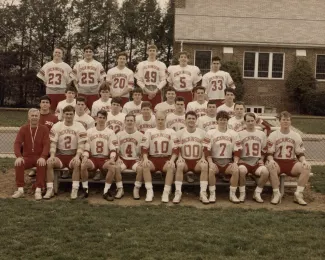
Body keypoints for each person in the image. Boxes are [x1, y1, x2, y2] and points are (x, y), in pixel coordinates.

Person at [266, 111, 311, 205]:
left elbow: (299, 153)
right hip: (277, 161)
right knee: (271, 166)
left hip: (291, 163)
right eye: (283, 120)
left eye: (288, 120)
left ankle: (298, 194)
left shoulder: (296, 135)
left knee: (306, 167)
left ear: (290, 122)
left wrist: (304, 161)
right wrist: (271, 160)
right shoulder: (274, 135)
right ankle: (276, 194)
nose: (285, 122)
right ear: (279, 121)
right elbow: (269, 152)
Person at [43, 105, 87, 200]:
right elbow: (53, 143)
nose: (69, 116)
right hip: (60, 155)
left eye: (71, 114)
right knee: (50, 162)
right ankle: (50, 189)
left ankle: (75, 188)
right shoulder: (57, 126)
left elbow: (81, 144)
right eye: (67, 114)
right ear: (63, 115)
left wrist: (77, 156)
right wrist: (52, 155)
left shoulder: (79, 126)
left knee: (77, 163)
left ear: (74, 115)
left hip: (73, 154)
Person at [140, 111, 179, 202]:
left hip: (166, 158)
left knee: (170, 166)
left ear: (165, 120)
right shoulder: (149, 131)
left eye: (162, 119)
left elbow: (176, 148)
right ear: (155, 120)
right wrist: (145, 158)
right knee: (145, 165)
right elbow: (144, 147)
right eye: (158, 119)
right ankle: (149, 191)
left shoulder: (171, 131)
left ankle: (166, 192)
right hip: (153, 158)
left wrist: (172, 160)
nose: (160, 121)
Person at [12, 109, 50, 200]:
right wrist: (19, 156)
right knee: (19, 163)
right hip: (27, 157)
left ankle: (38, 190)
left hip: (39, 157)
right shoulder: (24, 128)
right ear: (29, 117)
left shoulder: (44, 128)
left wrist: (43, 157)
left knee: (42, 163)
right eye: (32, 116)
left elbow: (46, 144)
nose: (34, 118)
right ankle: (20, 189)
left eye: (36, 116)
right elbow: (17, 143)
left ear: (39, 117)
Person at [81, 110, 118, 200]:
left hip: (104, 158)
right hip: (93, 158)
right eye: (99, 117)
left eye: (103, 118)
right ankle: (85, 189)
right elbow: (87, 146)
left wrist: (112, 158)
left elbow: (113, 148)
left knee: (112, 167)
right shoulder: (89, 131)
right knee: (83, 165)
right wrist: (85, 156)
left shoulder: (110, 132)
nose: (101, 120)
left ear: (106, 119)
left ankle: (106, 191)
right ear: (96, 118)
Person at [205, 111, 241, 203]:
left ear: (227, 121)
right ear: (217, 121)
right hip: (215, 160)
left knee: (236, 170)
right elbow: (206, 149)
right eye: (220, 119)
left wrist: (235, 162)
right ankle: (212, 194)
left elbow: (237, 150)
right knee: (211, 170)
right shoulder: (211, 132)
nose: (222, 121)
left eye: (225, 119)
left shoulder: (233, 133)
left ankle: (232, 194)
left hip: (228, 161)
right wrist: (210, 162)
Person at [174, 111, 209, 204]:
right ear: (185, 120)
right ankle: (178, 192)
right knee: (180, 165)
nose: (191, 120)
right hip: (185, 160)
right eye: (189, 118)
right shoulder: (179, 133)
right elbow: (176, 147)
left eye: (193, 118)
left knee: (205, 166)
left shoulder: (202, 132)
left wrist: (203, 157)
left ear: (196, 120)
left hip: (197, 161)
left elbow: (206, 147)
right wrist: (180, 156)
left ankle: (203, 192)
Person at [238, 113, 270, 203]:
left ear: (255, 121)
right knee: (241, 171)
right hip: (244, 160)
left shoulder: (261, 134)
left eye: (252, 121)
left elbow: (264, 148)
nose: (250, 123)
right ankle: (242, 193)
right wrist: (238, 159)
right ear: (245, 122)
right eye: (248, 121)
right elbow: (235, 149)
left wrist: (261, 159)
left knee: (265, 172)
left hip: (256, 161)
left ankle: (257, 193)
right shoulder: (240, 134)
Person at [115, 114, 145, 199]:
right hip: (123, 159)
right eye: (127, 120)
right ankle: (120, 189)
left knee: (140, 168)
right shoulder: (119, 134)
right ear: (124, 122)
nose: (129, 122)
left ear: (135, 122)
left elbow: (144, 149)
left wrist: (142, 159)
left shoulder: (140, 135)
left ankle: (136, 188)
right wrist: (118, 158)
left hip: (135, 159)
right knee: (116, 167)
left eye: (131, 120)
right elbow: (116, 148)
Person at [37, 47, 72, 111]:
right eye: (56, 52)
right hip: (50, 91)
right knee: (50, 110)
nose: (57, 54)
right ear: (53, 53)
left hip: (62, 91)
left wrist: (65, 90)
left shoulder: (67, 67)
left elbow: (69, 82)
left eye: (59, 53)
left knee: (62, 110)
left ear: (62, 55)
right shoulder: (47, 65)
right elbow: (43, 79)